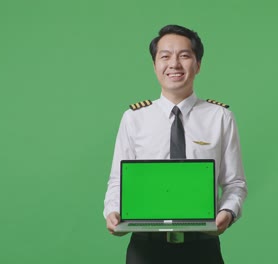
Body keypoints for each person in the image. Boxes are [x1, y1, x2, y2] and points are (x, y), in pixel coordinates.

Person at [103, 24, 247, 264]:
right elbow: (118, 180)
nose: (174, 64)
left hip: (202, 247)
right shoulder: (134, 118)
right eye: (165, 56)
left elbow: (235, 182)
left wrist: (228, 213)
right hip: (145, 248)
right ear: (154, 65)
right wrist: (112, 211)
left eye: (184, 56)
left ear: (198, 64)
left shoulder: (220, 117)